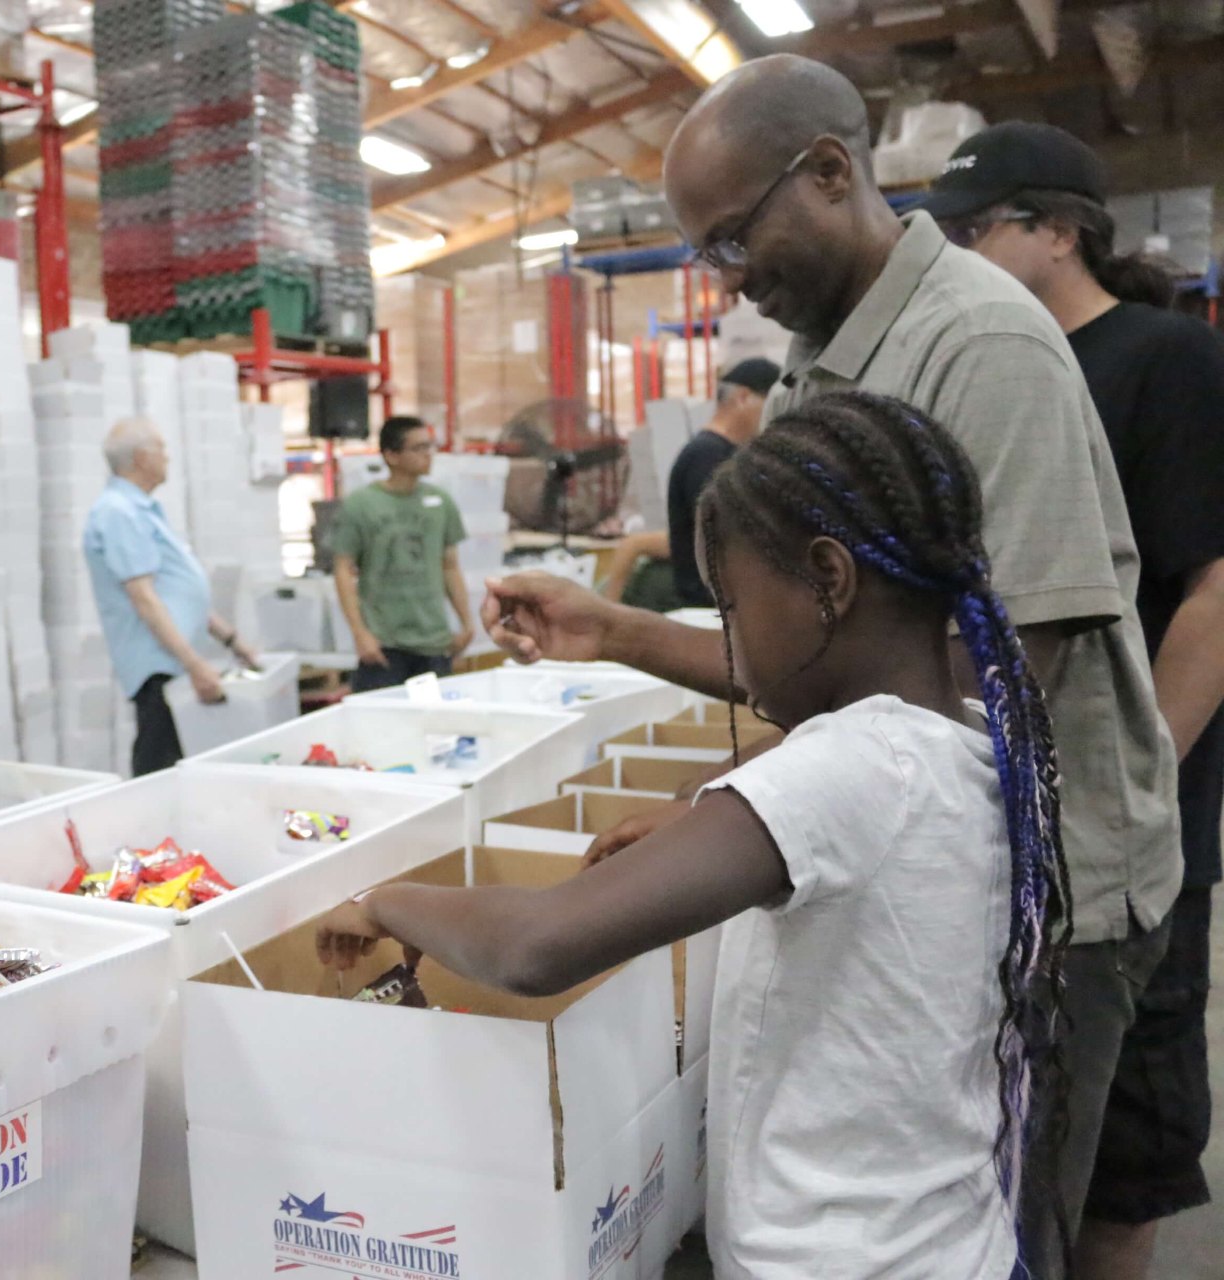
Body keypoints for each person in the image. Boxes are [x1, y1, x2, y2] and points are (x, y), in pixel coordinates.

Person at [485, 54, 1180, 1275]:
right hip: (934, 867)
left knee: (996, 1216)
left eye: (734, 239)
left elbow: (1005, 665)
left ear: (828, 170)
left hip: (1046, 895)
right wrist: (627, 632)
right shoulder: (824, 363)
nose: (732, 283)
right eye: (707, 254)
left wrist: (752, 822)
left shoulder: (980, 345)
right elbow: (821, 656)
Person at [320, 393, 1065, 1276]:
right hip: (951, 1239)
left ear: (830, 581)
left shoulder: (850, 769)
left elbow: (536, 946)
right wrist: (705, 814)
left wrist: (387, 901)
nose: (732, 651)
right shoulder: (975, 732)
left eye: (731, 610)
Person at [925, 121, 1224, 1278]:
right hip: (1000, 802)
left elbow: (1213, 589)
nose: (951, 253)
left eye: (974, 230)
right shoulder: (978, 360)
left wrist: (1136, 777)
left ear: (1060, 229)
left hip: (1126, 830)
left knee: (1128, 1142)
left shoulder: (1166, 360)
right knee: (1019, 1117)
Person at [83, 417, 258, 776]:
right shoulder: (119, 513)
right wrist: (195, 665)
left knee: (175, 760)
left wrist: (231, 640)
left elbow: (175, 589)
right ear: (142, 458)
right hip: (158, 664)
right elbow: (145, 599)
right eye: (161, 449)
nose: (167, 458)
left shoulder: (142, 509)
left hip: (173, 659)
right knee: (158, 764)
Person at [332, 416, 474, 692]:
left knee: (436, 728)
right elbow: (342, 569)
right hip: (385, 644)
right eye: (418, 448)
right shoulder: (361, 505)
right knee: (379, 728)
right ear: (391, 455)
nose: (427, 455)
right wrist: (360, 633)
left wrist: (467, 621)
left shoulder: (441, 503)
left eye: (430, 447)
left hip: (434, 641)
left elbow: (450, 566)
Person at [665, 356, 778, 606]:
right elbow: (727, 537)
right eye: (770, 403)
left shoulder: (718, 452)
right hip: (707, 609)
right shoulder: (708, 456)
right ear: (743, 397)